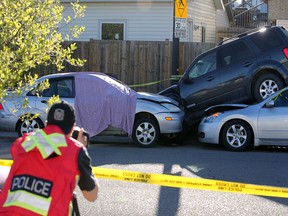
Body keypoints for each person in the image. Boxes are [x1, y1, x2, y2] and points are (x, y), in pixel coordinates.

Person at [0, 101, 99, 215]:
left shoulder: (22, 143)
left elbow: (45, 148)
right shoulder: (75, 151)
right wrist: (80, 147)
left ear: (46, 124)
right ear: (72, 128)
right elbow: (92, 195)